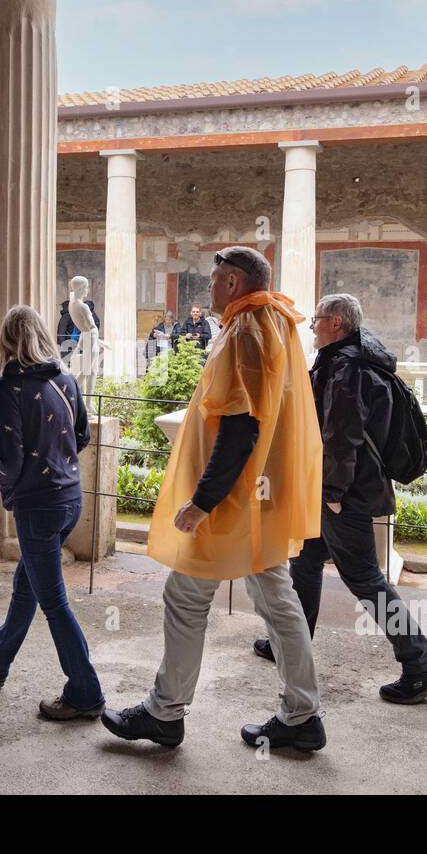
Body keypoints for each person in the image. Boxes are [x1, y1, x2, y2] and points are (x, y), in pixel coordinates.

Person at [101, 246, 326, 752]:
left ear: (233, 282)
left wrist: (203, 499)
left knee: (187, 597)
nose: (207, 287)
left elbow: (240, 426)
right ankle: (302, 714)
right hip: (262, 493)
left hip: (234, 499)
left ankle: (165, 712)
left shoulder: (245, 330)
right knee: (277, 601)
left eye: (215, 278)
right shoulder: (276, 320)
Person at [255, 294, 427, 704]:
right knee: (305, 561)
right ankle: (291, 642)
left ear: (338, 323)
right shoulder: (350, 358)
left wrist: (334, 493)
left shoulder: (349, 368)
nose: (312, 327)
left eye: (318, 320)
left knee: (366, 580)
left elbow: (342, 436)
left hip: (345, 494)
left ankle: (421, 665)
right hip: (338, 489)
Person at [0, 305, 105, 721]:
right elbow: (83, 434)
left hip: (38, 505)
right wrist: (58, 468)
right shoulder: (65, 378)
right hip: (70, 500)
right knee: (28, 584)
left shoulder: (9, 387)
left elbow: (10, 453)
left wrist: (13, 495)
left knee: (54, 602)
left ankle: (85, 692)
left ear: (6, 340)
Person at [56, 291, 100, 363]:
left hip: (74, 343)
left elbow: (61, 330)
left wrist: (62, 344)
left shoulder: (68, 316)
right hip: (75, 343)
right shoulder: (72, 315)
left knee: (73, 363)